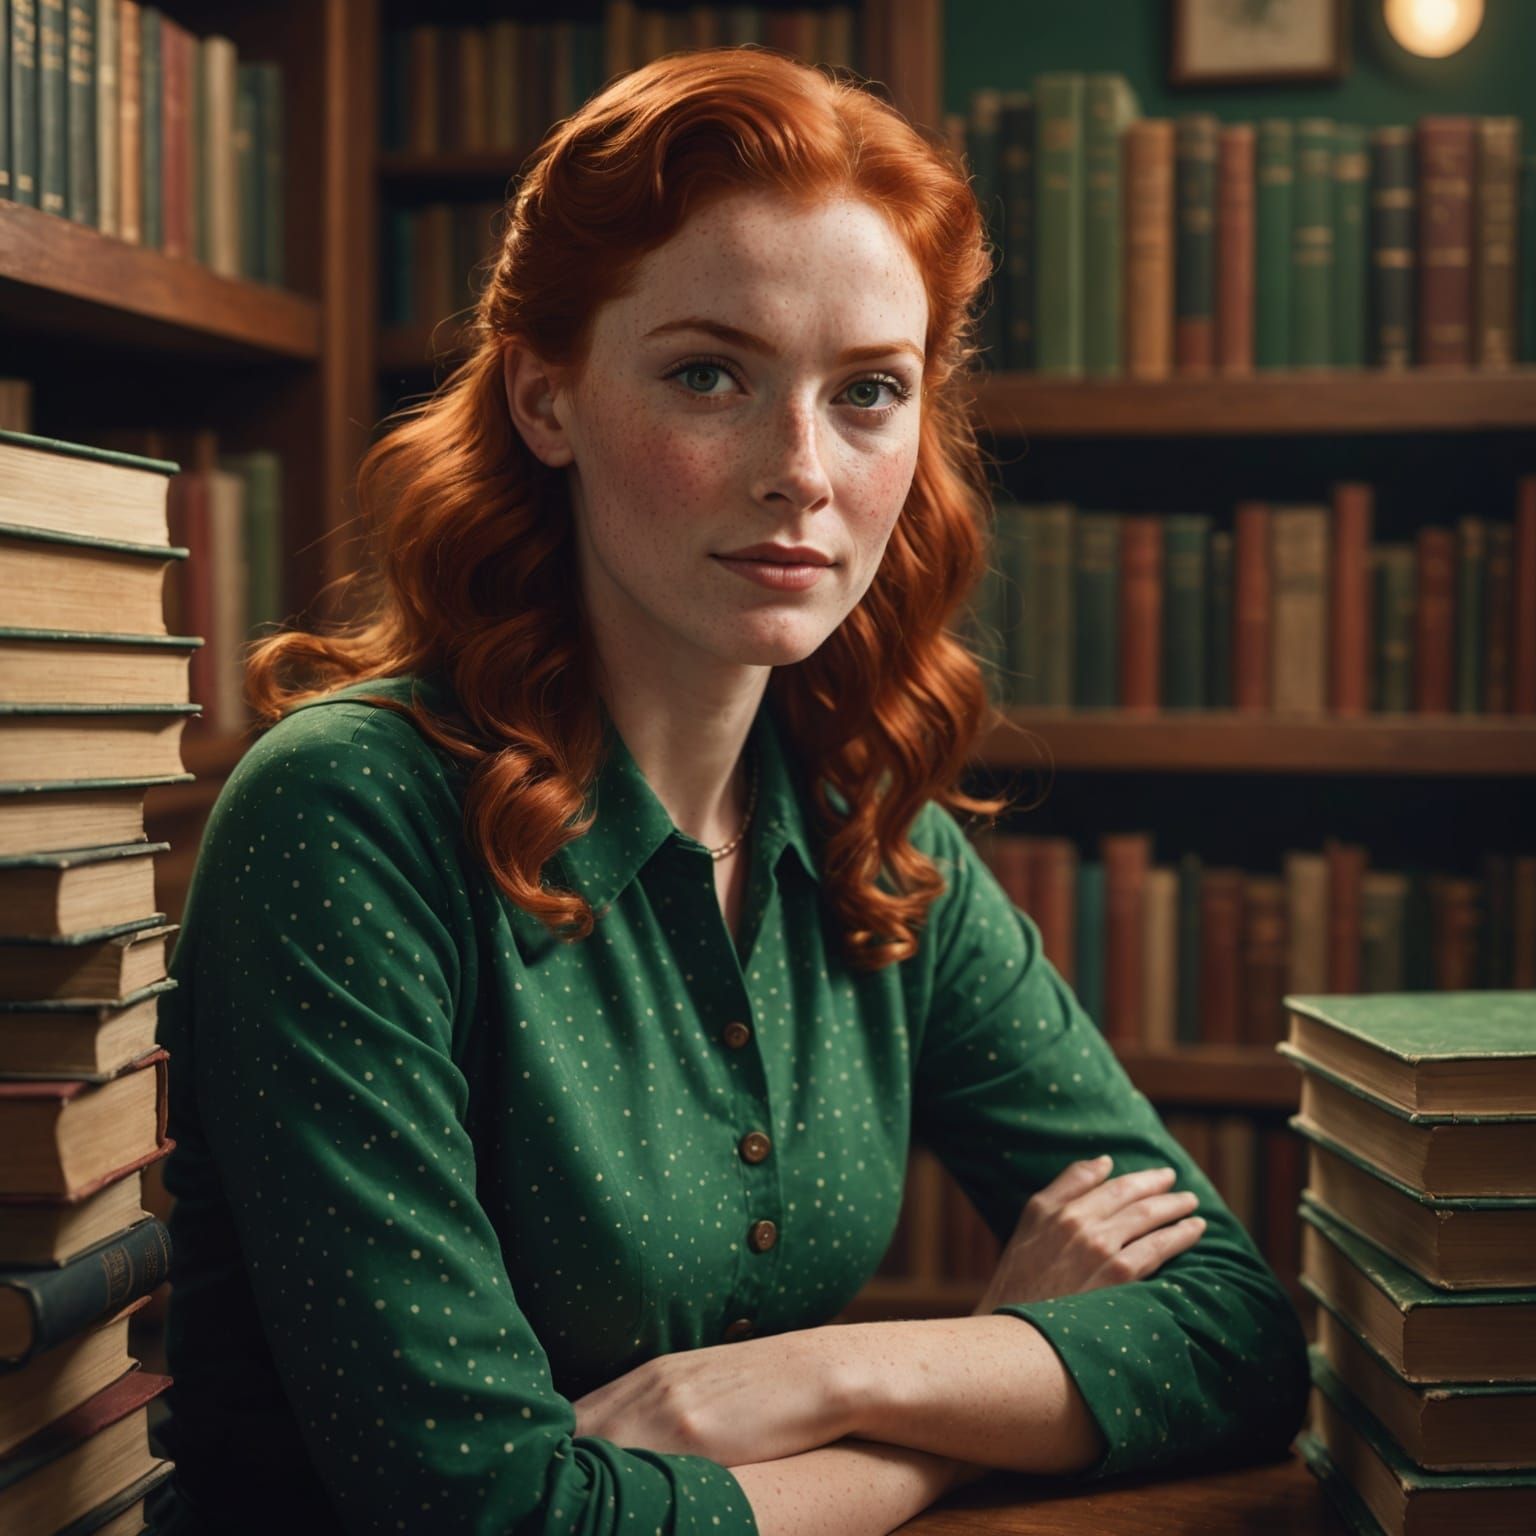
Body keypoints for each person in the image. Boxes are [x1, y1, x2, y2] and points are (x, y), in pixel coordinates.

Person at [146, 44, 1308, 1536]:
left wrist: (819, 1379)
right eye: (711, 375)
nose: (802, 471)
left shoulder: (870, 830)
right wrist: (950, 1427)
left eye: (869, 392)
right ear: (545, 396)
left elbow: (1236, 1333)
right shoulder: (345, 817)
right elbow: (495, 1516)